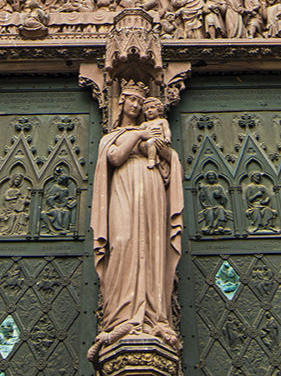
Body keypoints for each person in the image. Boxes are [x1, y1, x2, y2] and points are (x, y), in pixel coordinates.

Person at [89, 82, 183, 359]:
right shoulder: (116, 135)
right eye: (131, 101)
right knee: (123, 241)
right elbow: (115, 157)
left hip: (152, 185)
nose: (136, 106)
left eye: (140, 102)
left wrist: (163, 150)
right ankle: (120, 316)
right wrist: (139, 133)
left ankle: (154, 316)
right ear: (121, 103)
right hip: (123, 187)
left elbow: (169, 157)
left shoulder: (153, 128)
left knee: (152, 244)